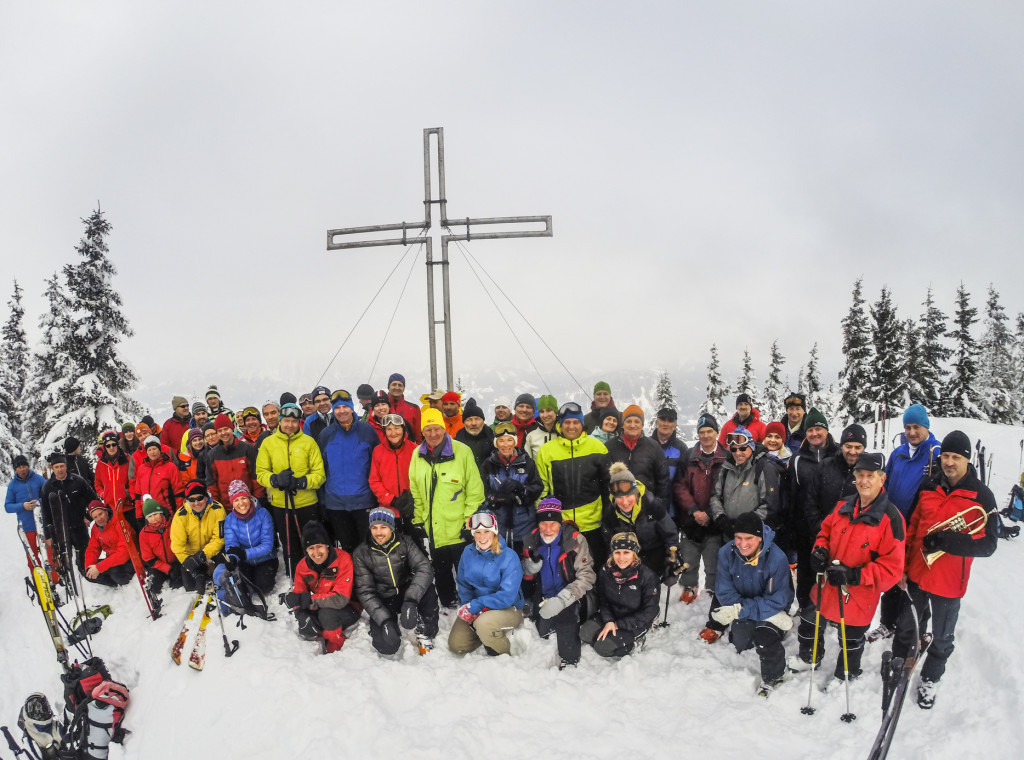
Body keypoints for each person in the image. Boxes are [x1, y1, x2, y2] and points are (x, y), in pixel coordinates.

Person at [893, 430, 997, 709]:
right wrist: (902, 566)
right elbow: (912, 527)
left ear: (967, 459)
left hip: (950, 582)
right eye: (945, 456)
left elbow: (988, 544)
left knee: (942, 636)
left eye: (956, 457)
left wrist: (949, 541)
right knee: (907, 626)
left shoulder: (982, 495)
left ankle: (931, 678)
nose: (949, 462)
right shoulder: (928, 486)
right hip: (916, 572)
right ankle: (903, 660)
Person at [788, 453, 904, 683]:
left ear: (882, 479)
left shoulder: (891, 518)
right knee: (811, 622)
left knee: (850, 638)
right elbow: (825, 532)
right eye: (860, 475)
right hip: (828, 583)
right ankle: (809, 657)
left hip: (859, 592)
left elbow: (892, 569)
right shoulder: (843, 505)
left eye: (870, 476)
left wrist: (856, 575)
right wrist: (820, 550)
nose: (864, 481)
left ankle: (846, 674)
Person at [869, 404, 942, 643]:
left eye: (916, 427)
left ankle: (917, 627)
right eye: (907, 427)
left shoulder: (936, 452)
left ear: (926, 427)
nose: (911, 432)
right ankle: (887, 622)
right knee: (890, 572)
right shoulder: (899, 452)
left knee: (915, 579)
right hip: (893, 524)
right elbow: (886, 484)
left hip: (919, 525)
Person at [705, 513, 795, 695]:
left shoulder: (777, 558)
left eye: (749, 538)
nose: (743, 543)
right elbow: (724, 591)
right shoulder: (726, 553)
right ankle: (755, 624)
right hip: (742, 604)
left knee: (765, 637)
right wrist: (740, 609)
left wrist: (741, 610)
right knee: (741, 645)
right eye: (738, 538)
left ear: (760, 538)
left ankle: (774, 676)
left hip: (771, 608)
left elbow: (777, 600)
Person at [409, 408, 486, 608]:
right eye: (428, 430)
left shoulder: (462, 451)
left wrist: (469, 521)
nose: (433, 434)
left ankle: (470, 603)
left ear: (444, 429)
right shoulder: (417, 454)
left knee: (466, 569)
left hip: (459, 526)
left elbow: (475, 490)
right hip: (434, 527)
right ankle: (448, 602)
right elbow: (416, 490)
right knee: (441, 569)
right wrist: (418, 520)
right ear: (422, 432)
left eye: (437, 429)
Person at [521, 499, 595, 669]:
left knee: (567, 621)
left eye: (553, 524)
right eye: (543, 524)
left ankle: (569, 661)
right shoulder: (530, 541)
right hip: (543, 595)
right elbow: (523, 574)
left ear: (560, 523)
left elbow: (587, 575)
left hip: (570, 594)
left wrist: (563, 599)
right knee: (542, 631)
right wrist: (529, 568)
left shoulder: (574, 540)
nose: (548, 530)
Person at [353, 508, 439, 656]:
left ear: (391, 528)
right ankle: (390, 625)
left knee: (428, 590)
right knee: (387, 646)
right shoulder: (361, 553)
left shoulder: (405, 542)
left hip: (405, 590)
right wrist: (384, 620)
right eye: (374, 528)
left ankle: (425, 631)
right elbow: (365, 591)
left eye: (383, 527)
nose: (379, 532)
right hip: (384, 598)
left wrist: (411, 600)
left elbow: (424, 568)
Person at [534, 401, 611, 565]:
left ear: (582, 424)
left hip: (593, 524)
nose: (571, 426)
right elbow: (541, 489)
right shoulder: (547, 451)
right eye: (567, 422)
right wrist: (546, 518)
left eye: (576, 422)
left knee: (595, 570)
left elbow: (608, 487)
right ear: (560, 425)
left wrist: (607, 516)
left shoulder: (597, 447)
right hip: (561, 525)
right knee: (565, 572)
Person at [255, 403, 327, 573]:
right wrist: (275, 479)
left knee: (311, 543)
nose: (290, 425)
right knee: (289, 543)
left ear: (299, 423)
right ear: (280, 421)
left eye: (294, 421)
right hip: (282, 504)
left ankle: (315, 574)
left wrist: (301, 482)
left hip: (307, 503)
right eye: (286, 420)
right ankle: (295, 575)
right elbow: (260, 473)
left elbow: (320, 474)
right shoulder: (268, 443)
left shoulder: (309, 442)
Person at [448, 508, 525, 656]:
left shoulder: (509, 556)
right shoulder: (467, 553)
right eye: (478, 532)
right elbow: (464, 584)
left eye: (486, 531)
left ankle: (503, 651)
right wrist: (468, 606)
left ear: (494, 531)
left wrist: (477, 605)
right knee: (457, 645)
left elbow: (507, 596)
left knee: (484, 624)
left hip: (508, 608)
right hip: (478, 607)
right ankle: (486, 632)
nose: (482, 537)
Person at [673, 413, 728, 604]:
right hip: (690, 518)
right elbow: (679, 486)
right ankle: (689, 586)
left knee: (713, 560)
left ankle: (712, 588)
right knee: (689, 558)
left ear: (716, 433)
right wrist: (694, 510)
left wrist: (710, 514)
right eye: (701, 432)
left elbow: (727, 490)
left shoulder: (726, 457)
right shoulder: (688, 456)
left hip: (715, 520)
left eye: (709, 431)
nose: (705, 436)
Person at [789, 407, 839, 611]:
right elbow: (792, 495)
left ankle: (832, 609)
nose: (814, 433)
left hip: (835, 526)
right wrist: (793, 527)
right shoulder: (798, 459)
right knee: (806, 571)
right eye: (810, 429)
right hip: (805, 527)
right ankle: (805, 606)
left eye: (818, 428)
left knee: (834, 568)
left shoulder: (838, 455)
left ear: (826, 430)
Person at [283, 520, 359, 654]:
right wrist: (300, 612)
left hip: (348, 607)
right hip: (320, 604)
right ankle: (321, 633)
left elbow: (340, 599)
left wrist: (310, 600)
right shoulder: (302, 566)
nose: (316, 552)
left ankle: (335, 644)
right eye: (311, 548)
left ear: (327, 546)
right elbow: (300, 594)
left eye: (319, 546)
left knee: (326, 615)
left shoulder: (343, 559)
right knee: (307, 623)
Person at [318, 389, 380, 552]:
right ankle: (351, 578)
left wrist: (375, 498)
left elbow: (377, 465)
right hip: (336, 505)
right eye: (337, 408)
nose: (342, 411)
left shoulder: (367, 431)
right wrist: (323, 501)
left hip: (364, 502)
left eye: (345, 407)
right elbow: (322, 469)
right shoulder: (326, 435)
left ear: (352, 408)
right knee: (347, 549)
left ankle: (368, 578)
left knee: (368, 548)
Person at [580, 532, 660, 657]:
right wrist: (608, 620)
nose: (621, 558)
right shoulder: (605, 571)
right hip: (613, 614)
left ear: (634, 554)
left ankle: (635, 642)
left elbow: (650, 610)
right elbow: (603, 599)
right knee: (585, 633)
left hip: (635, 621)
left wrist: (618, 625)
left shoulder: (647, 576)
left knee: (603, 648)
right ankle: (611, 635)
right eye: (617, 552)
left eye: (626, 552)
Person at [603, 463, 678, 576]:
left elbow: (670, 535)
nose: (625, 502)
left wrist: (671, 561)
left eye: (629, 496)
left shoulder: (653, 506)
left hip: (654, 559)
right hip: (626, 561)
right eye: (620, 498)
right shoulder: (610, 513)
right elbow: (609, 543)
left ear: (636, 493)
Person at [480, 423, 543, 554]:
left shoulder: (527, 463)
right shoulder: (488, 464)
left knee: (526, 566)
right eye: (501, 441)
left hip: (524, 526)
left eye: (509, 440)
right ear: (496, 443)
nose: (505, 445)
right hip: (498, 526)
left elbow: (537, 487)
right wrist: (495, 498)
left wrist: (521, 490)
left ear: (515, 442)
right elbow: (481, 491)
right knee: (501, 565)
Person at [605, 405, 672, 518]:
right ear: (623, 424)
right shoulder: (610, 447)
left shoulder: (653, 447)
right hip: (618, 512)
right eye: (629, 421)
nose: (632, 425)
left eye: (637, 421)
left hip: (647, 511)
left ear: (642, 425)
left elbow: (663, 482)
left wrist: (659, 507)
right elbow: (604, 481)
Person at [803, 424, 864, 540]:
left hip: (853, 540)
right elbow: (811, 501)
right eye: (848, 446)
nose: (852, 451)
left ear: (864, 448)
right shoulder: (825, 466)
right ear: (841, 446)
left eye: (858, 447)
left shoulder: (868, 473)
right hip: (822, 535)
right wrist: (821, 531)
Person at [220, 480, 278, 594]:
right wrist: (232, 557)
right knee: (243, 587)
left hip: (266, 559)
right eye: (236, 500)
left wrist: (245, 553)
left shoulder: (263, 514)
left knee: (264, 587)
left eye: (243, 498)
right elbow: (231, 545)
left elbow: (267, 545)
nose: (241, 503)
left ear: (250, 498)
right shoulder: (230, 519)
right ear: (232, 503)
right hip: (244, 561)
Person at [41, 452, 95, 573]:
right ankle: (68, 579)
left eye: (62, 466)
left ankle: (88, 577)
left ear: (66, 466)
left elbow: (93, 500)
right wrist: (48, 535)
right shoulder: (47, 487)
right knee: (64, 560)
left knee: (85, 556)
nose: (60, 470)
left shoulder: (78, 481)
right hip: (59, 530)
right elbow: (45, 513)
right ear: (52, 468)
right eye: (56, 467)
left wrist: (88, 517)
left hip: (79, 526)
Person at [170, 480, 226, 592]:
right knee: (190, 586)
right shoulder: (181, 516)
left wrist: (203, 555)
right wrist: (190, 565)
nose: (196, 503)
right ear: (187, 500)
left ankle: (210, 568)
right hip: (191, 556)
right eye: (191, 499)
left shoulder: (217, 509)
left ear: (206, 497)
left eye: (200, 498)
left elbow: (219, 539)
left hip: (211, 553)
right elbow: (177, 545)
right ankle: (200, 573)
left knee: (221, 576)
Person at [368, 413, 418, 528]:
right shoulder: (378, 451)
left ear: (403, 429)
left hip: (412, 508)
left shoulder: (415, 450)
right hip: (388, 510)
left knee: (413, 544)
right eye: (389, 429)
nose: (393, 433)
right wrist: (391, 499)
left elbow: (420, 478)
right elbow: (374, 481)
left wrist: (411, 499)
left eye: (396, 428)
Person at [206, 414, 261, 506]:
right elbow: (211, 482)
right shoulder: (212, 455)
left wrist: (258, 499)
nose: (223, 433)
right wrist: (215, 504)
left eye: (226, 429)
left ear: (232, 429)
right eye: (219, 431)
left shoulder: (247, 449)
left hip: (248, 503)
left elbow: (256, 476)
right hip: (225, 505)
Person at [5, 454, 48, 569]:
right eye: (19, 467)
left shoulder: (38, 479)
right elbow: (7, 507)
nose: (22, 469)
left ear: (28, 466)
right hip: (26, 526)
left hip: (43, 523)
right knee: (32, 556)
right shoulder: (12, 485)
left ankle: (56, 581)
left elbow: (49, 495)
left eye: (24, 466)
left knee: (49, 553)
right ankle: (38, 581)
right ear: (15, 469)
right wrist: (22, 506)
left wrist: (38, 502)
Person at [133, 436, 181, 530]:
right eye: (149, 449)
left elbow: (178, 491)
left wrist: (179, 513)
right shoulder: (142, 469)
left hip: (167, 514)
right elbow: (138, 495)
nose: (152, 452)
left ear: (159, 449)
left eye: (154, 448)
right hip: (149, 516)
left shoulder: (170, 467)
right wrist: (139, 516)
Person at [83, 501, 133, 587]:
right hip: (112, 561)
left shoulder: (119, 522)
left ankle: (126, 585)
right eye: (95, 517)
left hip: (129, 560)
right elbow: (93, 549)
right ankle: (115, 586)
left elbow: (124, 553)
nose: (99, 519)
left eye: (100, 514)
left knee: (115, 573)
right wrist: (89, 566)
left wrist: (99, 567)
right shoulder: (96, 529)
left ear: (106, 511)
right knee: (89, 574)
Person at [138, 497, 181, 597]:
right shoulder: (144, 534)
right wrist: (167, 569)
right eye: (150, 516)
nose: (153, 518)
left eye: (155, 514)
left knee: (178, 584)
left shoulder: (173, 524)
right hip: (159, 566)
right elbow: (148, 558)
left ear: (161, 513)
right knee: (154, 586)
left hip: (176, 562)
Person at [651, 407, 689, 486]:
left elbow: (684, 480)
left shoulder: (681, 448)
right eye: (663, 419)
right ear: (656, 423)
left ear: (675, 425)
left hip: (673, 496)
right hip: (649, 496)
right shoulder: (646, 445)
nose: (666, 423)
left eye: (670, 420)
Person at [94, 431, 130, 512]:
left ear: (117, 445)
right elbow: (97, 483)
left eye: (113, 444)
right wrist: (103, 493)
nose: (111, 447)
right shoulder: (101, 463)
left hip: (126, 506)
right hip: (110, 507)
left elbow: (133, 480)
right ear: (104, 447)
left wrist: (127, 493)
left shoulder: (127, 460)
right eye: (108, 445)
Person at [455, 399, 495, 468]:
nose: (473, 423)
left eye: (477, 419)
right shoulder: (456, 443)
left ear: (483, 421)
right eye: (469, 420)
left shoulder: (493, 441)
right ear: (464, 423)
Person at [386, 372, 422, 442]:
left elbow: (418, 437)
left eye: (400, 385)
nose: (397, 387)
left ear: (404, 388)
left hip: (408, 451)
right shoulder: (380, 408)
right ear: (388, 387)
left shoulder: (414, 409)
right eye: (394, 384)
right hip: (385, 450)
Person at [524, 395, 559, 459]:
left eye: (549, 410)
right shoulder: (531, 435)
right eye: (542, 411)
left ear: (555, 411)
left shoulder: (564, 432)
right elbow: (528, 463)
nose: (545, 415)